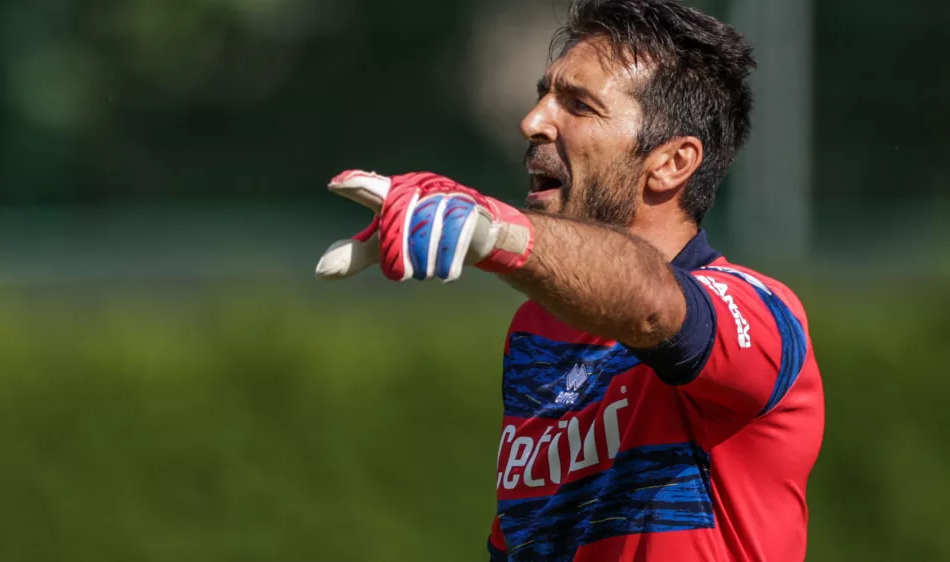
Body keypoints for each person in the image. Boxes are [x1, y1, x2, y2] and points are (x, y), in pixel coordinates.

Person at [315, 0, 825, 560]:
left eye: (578, 105)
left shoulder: (758, 313)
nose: (532, 120)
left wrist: (496, 233)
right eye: (544, 95)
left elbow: (652, 302)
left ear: (673, 163)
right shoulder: (537, 328)